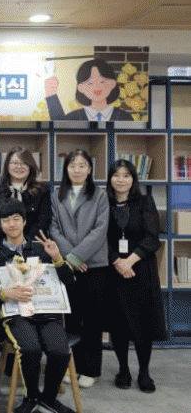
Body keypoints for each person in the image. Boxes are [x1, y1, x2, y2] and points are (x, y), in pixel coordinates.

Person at [0, 199, 76, 413]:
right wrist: (5, 293)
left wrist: (57, 258)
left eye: (16, 219)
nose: (11, 224)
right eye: (6, 220)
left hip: (48, 314)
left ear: (25, 221)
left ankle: (49, 399)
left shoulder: (42, 249)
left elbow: (70, 283)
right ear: (0, 224)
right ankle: (31, 397)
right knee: (30, 349)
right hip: (15, 316)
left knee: (60, 351)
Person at [50, 149, 109, 388]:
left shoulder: (100, 195)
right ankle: (72, 366)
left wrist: (78, 255)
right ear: (65, 169)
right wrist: (71, 258)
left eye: (82, 165)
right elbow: (54, 228)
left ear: (89, 169)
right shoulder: (56, 195)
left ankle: (90, 370)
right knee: (71, 319)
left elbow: (100, 229)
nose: (77, 170)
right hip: (68, 265)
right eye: (72, 165)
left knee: (92, 320)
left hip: (94, 265)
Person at [106, 160, 166, 393]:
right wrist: (117, 261)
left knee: (143, 323)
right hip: (114, 269)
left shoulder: (144, 201)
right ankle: (123, 370)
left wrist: (129, 261)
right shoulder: (104, 203)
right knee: (118, 323)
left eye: (126, 175)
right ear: (110, 178)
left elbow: (152, 237)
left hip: (140, 269)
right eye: (116, 175)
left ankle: (144, 372)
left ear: (133, 179)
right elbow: (101, 237)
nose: (121, 180)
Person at [45, 58, 132, 121]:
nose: (97, 87)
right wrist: (51, 94)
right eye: (90, 83)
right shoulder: (74, 117)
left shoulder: (124, 117)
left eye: (102, 82)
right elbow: (58, 128)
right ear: (81, 87)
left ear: (112, 83)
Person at [0, 146, 52, 243]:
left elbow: (43, 222)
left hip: (34, 244)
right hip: (3, 244)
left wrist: (25, 244)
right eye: (15, 163)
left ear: (30, 166)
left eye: (24, 163)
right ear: (7, 165)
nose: (19, 167)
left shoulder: (42, 190)